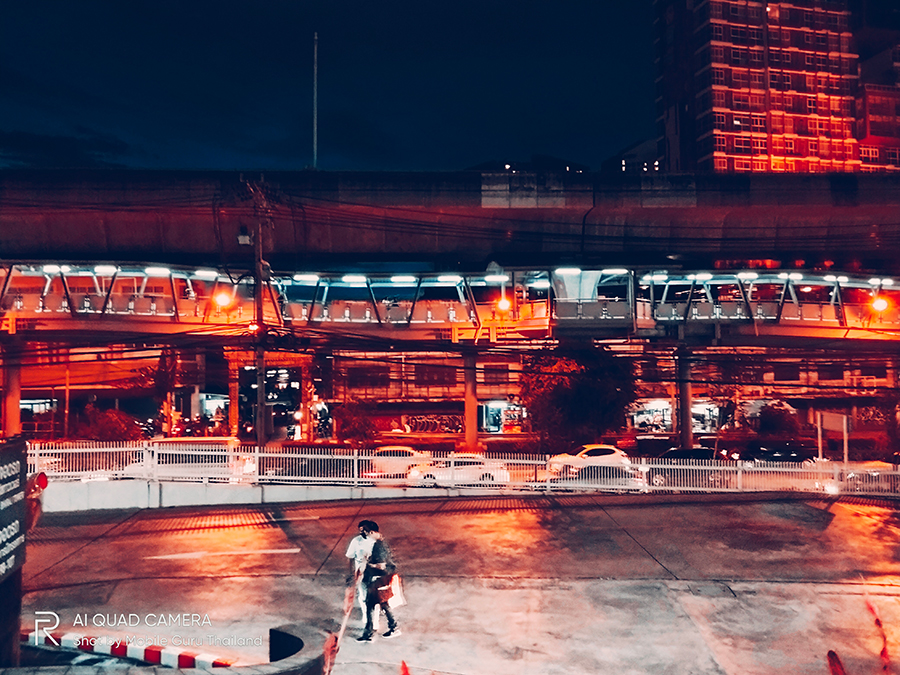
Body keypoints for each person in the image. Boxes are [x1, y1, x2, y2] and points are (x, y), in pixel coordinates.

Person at [358, 522, 400, 641]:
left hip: (379, 580)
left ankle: (369, 633)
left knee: (371, 605)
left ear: (371, 532)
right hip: (381, 580)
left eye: (365, 532)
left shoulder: (379, 547)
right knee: (383, 604)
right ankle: (393, 627)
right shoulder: (379, 543)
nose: (363, 535)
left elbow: (381, 566)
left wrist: (367, 563)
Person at [345, 520, 378, 627]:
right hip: (361, 574)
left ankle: (375, 620)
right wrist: (351, 574)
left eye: (364, 530)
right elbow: (350, 557)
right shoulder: (356, 541)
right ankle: (366, 617)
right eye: (360, 530)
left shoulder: (376, 542)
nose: (361, 532)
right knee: (363, 597)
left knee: (375, 598)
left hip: (374, 574)